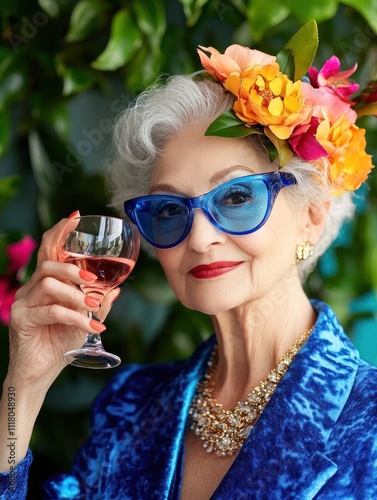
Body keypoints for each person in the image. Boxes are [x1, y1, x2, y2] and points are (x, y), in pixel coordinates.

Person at [1, 20, 377, 499]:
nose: (198, 238)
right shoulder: (131, 404)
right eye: (168, 209)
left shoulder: (369, 421)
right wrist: (23, 389)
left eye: (238, 197)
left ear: (313, 215)